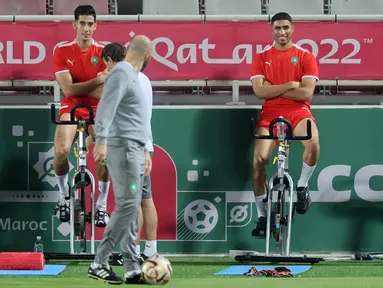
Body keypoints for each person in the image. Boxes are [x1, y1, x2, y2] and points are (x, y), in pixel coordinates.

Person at [88, 35, 153, 285]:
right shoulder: (122, 73)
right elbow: (106, 107)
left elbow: (139, 117)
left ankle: (131, 267)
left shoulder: (132, 76)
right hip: (123, 148)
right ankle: (99, 262)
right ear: (148, 56)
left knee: (131, 207)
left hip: (134, 149)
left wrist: (145, 149)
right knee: (127, 206)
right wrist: (101, 141)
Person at [250, 12, 320, 238]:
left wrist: (275, 87)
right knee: (259, 162)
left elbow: (307, 92)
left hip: (299, 112)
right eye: (278, 28)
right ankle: (262, 217)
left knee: (313, 144)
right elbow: (259, 92)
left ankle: (301, 187)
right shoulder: (261, 57)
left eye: (286, 27)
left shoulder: (305, 56)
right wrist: (291, 84)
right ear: (271, 29)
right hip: (270, 114)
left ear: (293, 28)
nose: (282, 32)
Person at [52, 5, 111, 228]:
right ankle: (64, 195)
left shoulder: (104, 52)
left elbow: (105, 93)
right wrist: (97, 80)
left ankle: (102, 205)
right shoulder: (62, 51)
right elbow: (68, 91)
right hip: (71, 106)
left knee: (105, 156)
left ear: (95, 26)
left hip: (98, 109)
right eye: (82, 23)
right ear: (74, 24)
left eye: (90, 24)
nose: (86, 28)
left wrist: (81, 87)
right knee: (60, 152)